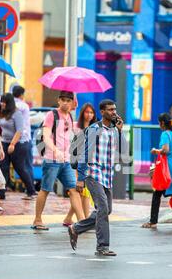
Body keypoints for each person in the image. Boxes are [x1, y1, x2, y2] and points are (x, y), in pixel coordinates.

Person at [67, 99, 128, 256]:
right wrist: (80, 178)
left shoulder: (114, 130)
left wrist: (121, 131)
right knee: (103, 208)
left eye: (114, 109)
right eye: (110, 110)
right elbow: (84, 154)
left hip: (107, 175)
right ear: (102, 112)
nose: (114, 112)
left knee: (107, 210)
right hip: (92, 173)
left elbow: (123, 151)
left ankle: (76, 228)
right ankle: (102, 246)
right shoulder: (94, 129)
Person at [31, 91, 84, 230]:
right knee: (45, 189)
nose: (66, 103)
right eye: (63, 100)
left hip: (66, 161)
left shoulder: (70, 117)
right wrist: (55, 150)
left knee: (74, 190)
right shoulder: (51, 115)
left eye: (69, 100)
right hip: (52, 160)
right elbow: (46, 137)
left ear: (72, 103)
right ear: (59, 101)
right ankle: (37, 220)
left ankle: (82, 222)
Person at [63, 102, 97, 226]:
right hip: (77, 163)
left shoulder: (95, 128)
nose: (89, 115)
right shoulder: (76, 127)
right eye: (87, 112)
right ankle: (85, 219)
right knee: (82, 192)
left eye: (91, 112)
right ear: (82, 113)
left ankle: (68, 218)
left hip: (89, 163)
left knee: (83, 192)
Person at [0, 93, 37, 200]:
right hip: (5, 142)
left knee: (19, 167)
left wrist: (12, 144)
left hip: (18, 144)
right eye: (1, 101)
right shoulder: (2, 113)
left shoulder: (17, 113)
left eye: (4, 102)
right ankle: (1, 192)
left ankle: (31, 191)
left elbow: (19, 131)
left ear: (9, 103)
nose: (2, 104)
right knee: (3, 167)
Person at [12, 85, 34, 189]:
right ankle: (30, 189)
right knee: (27, 165)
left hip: (12, 139)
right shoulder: (24, 106)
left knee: (17, 165)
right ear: (21, 95)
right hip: (25, 139)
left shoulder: (10, 105)